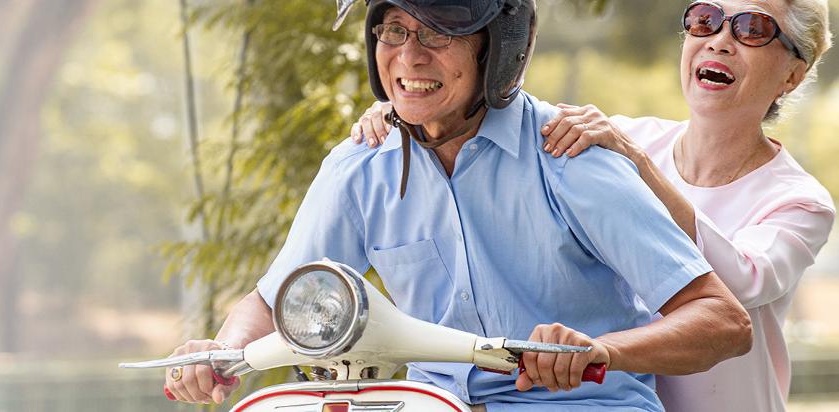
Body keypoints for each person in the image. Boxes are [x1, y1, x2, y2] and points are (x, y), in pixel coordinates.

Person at [165, 1, 753, 410]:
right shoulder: (359, 167)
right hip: (427, 406)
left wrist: (600, 352)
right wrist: (220, 350)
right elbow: (272, 301)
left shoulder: (571, 156)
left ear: (498, 50)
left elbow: (724, 322)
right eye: (393, 31)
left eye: (436, 34)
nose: (409, 57)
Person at [353, 1, 833, 411]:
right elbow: (497, 117)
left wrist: (639, 165)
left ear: (793, 73)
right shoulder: (615, 139)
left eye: (751, 29)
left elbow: (742, 282)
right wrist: (408, 106)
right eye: (705, 19)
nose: (720, 41)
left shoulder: (798, 199)